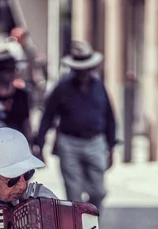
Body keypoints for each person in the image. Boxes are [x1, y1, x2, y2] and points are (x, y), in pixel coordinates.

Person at [33, 41, 117, 211]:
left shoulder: (99, 85)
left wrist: (111, 146)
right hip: (69, 141)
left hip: (95, 141)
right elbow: (48, 116)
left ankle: (92, 221)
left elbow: (109, 116)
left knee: (99, 191)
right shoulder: (63, 87)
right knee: (74, 193)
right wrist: (40, 143)